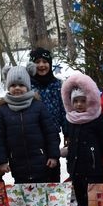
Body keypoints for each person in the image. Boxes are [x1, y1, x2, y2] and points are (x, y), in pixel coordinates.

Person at [0, 64, 60, 184]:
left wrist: (53, 155)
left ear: (28, 86)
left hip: (41, 163)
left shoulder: (38, 106)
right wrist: (2, 161)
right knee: (24, 197)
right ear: (8, 87)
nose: (17, 88)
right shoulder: (3, 111)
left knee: (43, 194)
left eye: (21, 85)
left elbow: (51, 133)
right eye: (13, 85)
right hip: (18, 165)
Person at [61, 72, 103, 206]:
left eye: (83, 101)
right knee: (80, 195)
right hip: (76, 167)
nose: (79, 104)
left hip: (92, 167)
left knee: (92, 196)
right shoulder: (70, 119)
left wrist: (96, 155)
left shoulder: (96, 118)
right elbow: (71, 141)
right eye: (76, 101)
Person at [29, 47, 66, 182]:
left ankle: (54, 197)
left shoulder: (57, 85)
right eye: (37, 62)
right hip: (32, 134)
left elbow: (64, 110)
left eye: (45, 61)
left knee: (52, 168)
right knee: (36, 170)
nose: (41, 65)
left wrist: (67, 132)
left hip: (52, 134)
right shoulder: (27, 86)